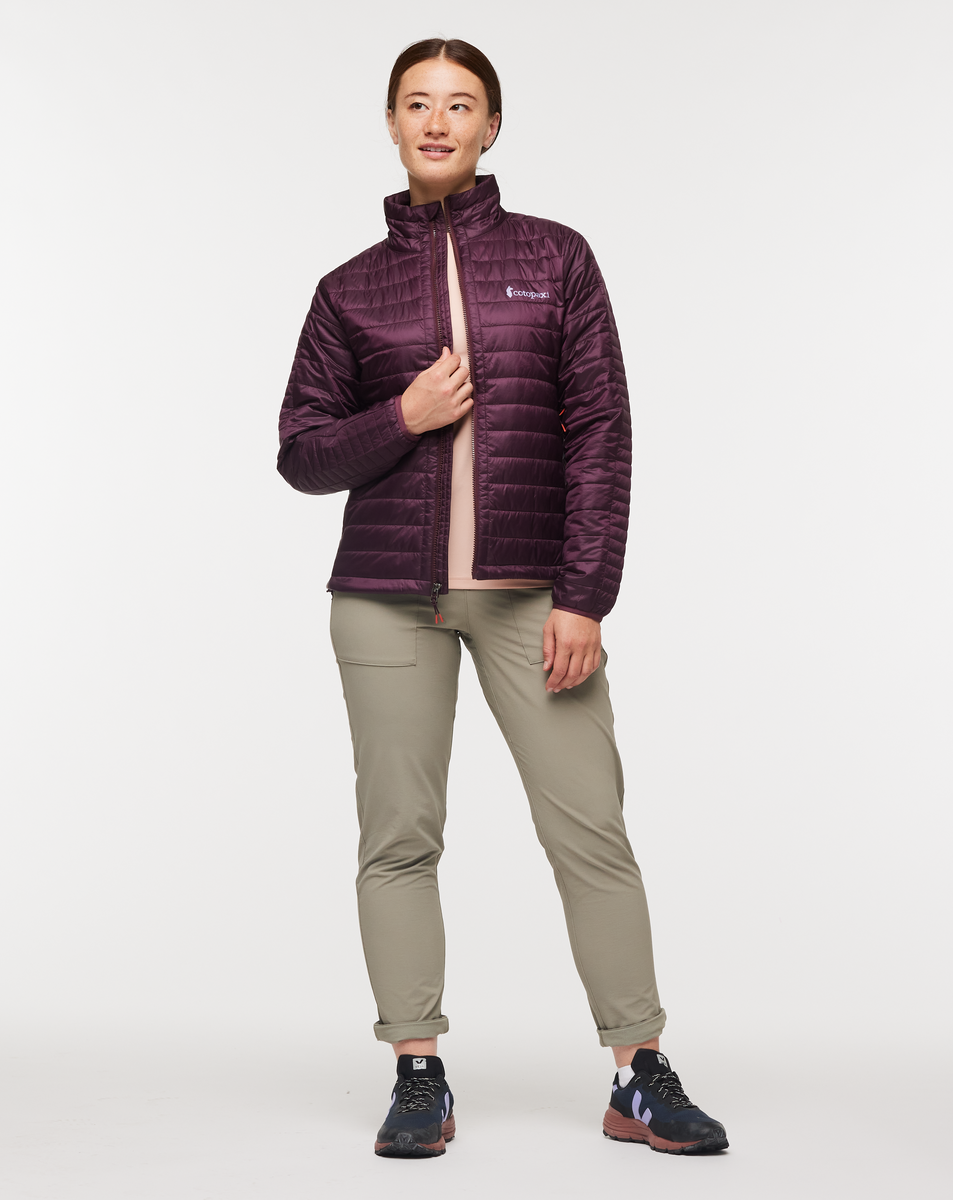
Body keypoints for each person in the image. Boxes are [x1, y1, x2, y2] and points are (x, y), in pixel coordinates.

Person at [278, 37, 727, 1159]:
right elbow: (302, 454)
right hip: (386, 598)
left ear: (491, 126)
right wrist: (404, 417)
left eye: (460, 103)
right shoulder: (347, 290)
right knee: (398, 839)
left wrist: (586, 596)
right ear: (392, 122)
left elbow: (602, 431)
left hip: (536, 600)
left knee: (591, 833)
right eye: (417, 103)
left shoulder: (557, 258)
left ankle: (639, 1072)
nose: (437, 121)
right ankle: (416, 1071)